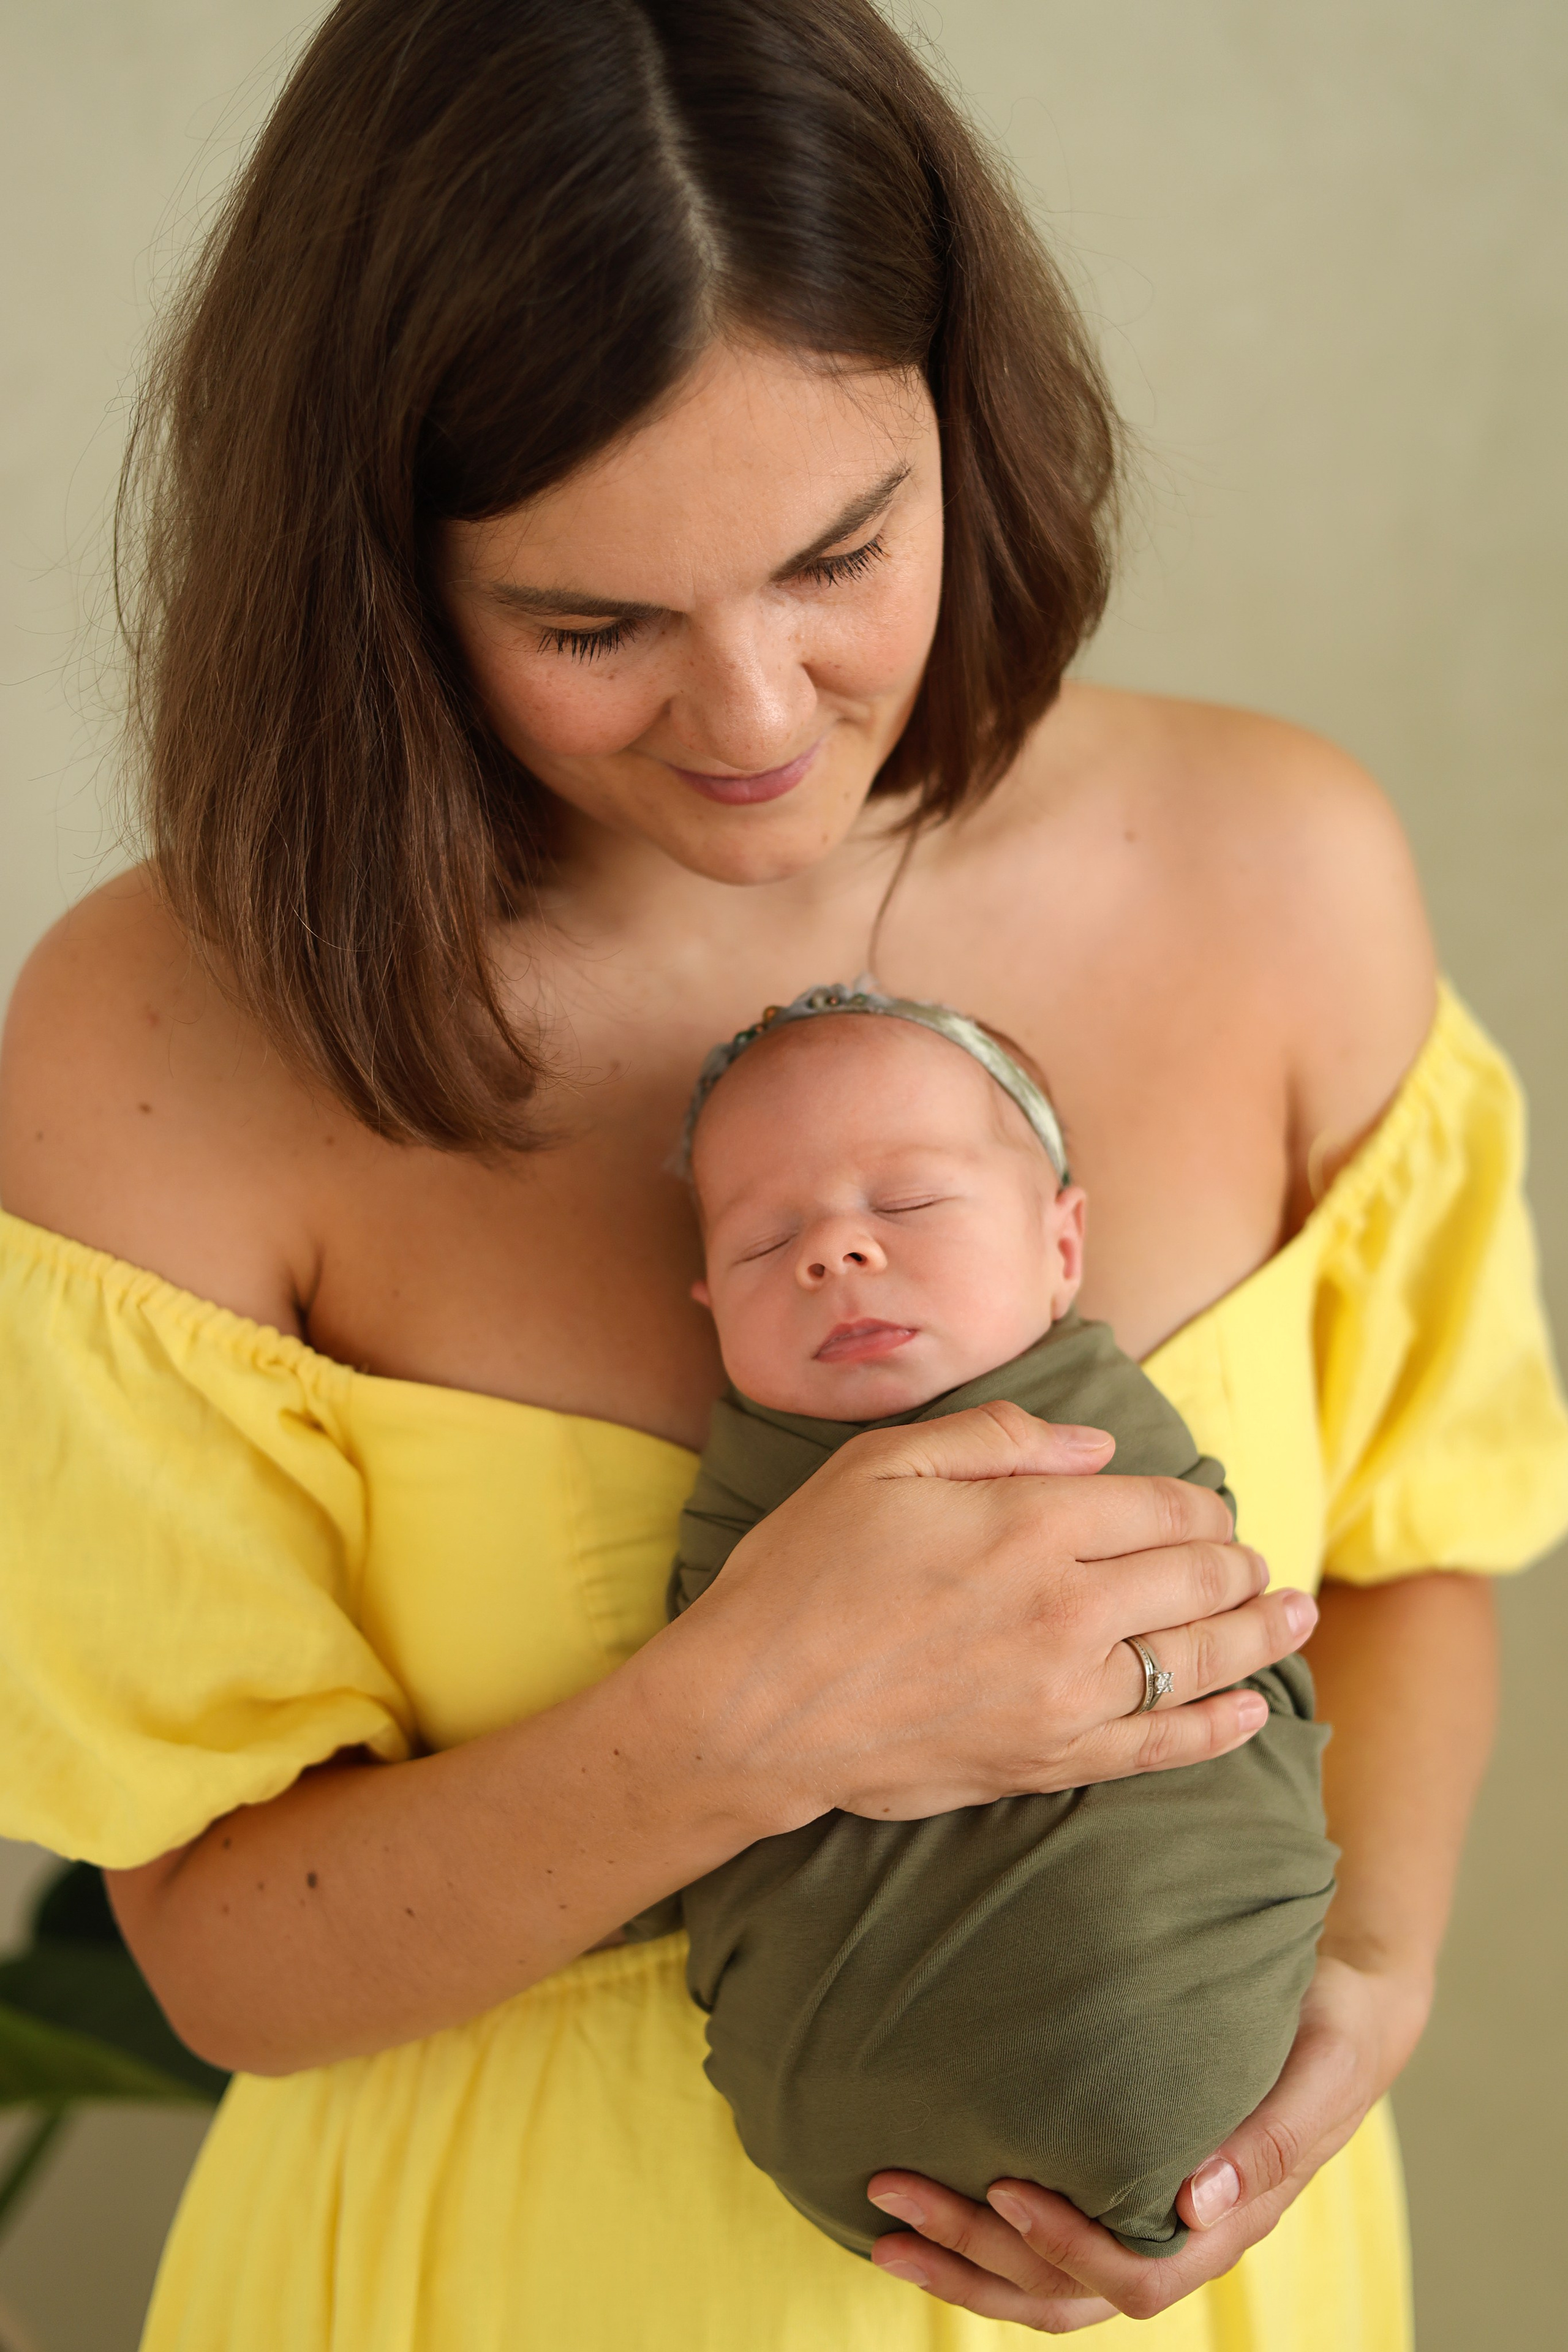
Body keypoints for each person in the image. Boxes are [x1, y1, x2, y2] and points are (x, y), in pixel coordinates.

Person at [0, 1, 1563, 2345]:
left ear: (964, 423)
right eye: (592, 623)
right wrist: (742, 1723)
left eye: (841, 553)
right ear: (380, 578)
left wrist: (1372, 1975)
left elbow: (1414, 1546)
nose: (751, 718)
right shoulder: (162, 1040)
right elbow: (219, 1959)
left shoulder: (1279, 870)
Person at [653, 980, 1336, 2260]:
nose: (833, 1252)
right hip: (816, 2137)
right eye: (762, 1242)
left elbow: (1251, 1655)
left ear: (1063, 1248)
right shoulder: (745, 1503)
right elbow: (686, 1747)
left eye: (908, 1203)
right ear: (708, 1308)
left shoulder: (1104, 1431)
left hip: (1201, 2056)